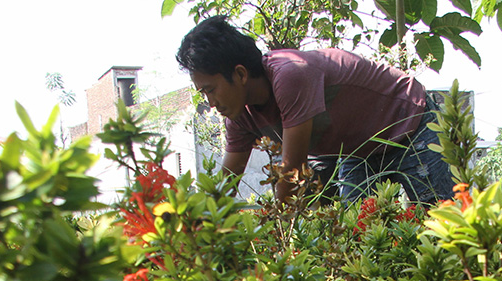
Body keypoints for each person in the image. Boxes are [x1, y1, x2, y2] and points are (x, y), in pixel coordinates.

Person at [175, 16, 454, 204]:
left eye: (210, 90)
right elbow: (225, 186)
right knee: (356, 240)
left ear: (240, 74)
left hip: (410, 125)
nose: (210, 103)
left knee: (447, 230)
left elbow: (291, 173)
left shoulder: (290, 75)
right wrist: (196, 222)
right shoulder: (238, 115)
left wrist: (278, 241)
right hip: (359, 151)